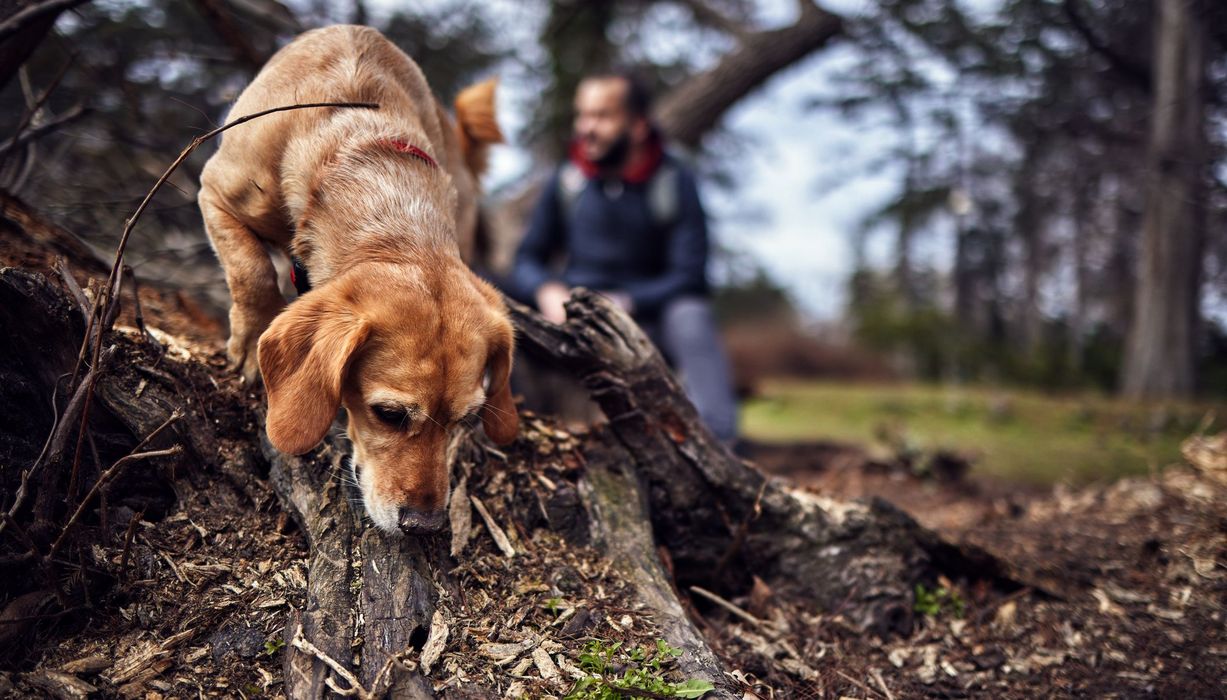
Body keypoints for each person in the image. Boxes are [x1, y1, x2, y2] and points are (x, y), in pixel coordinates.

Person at [510, 71, 738, 443]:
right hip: (570, 311)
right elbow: (527, 259)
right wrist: (547, 289)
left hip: (646, 317)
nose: (586, 128)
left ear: (638, 125)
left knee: (692, 316)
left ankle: (719, 447)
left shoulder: (673, 181)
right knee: (484, 291)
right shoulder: (566, 179)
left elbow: (691, 276)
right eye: (582, 115)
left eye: (602, 116)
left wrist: (625, 302)